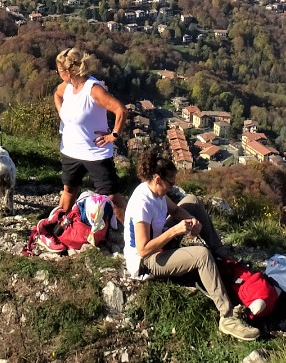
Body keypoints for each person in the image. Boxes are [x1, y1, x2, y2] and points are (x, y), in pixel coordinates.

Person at [124, 150, 260, 342]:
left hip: (159, 241)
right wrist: (175, 231)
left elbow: (176, 209)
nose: (173, 187)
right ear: (157, 179)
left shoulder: (158, 192)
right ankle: (227, 317)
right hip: (145, 262)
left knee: (192, 201)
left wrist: (192, 221)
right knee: (201, 255)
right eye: (170, 183)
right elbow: (143, 249)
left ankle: (220, 253)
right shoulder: (143, 203)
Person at [54, 47, 126, 218]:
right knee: (69, 190)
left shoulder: (93, 89)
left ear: (68, 72)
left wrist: (113, 135)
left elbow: (121, 110)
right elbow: (56, 95)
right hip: (71, 151)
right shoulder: (67, 87)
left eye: (59, 71)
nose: (57, 74)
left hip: (95, 152)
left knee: (111, 196)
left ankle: (136, 235)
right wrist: (62, 113)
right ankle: (57, 228)